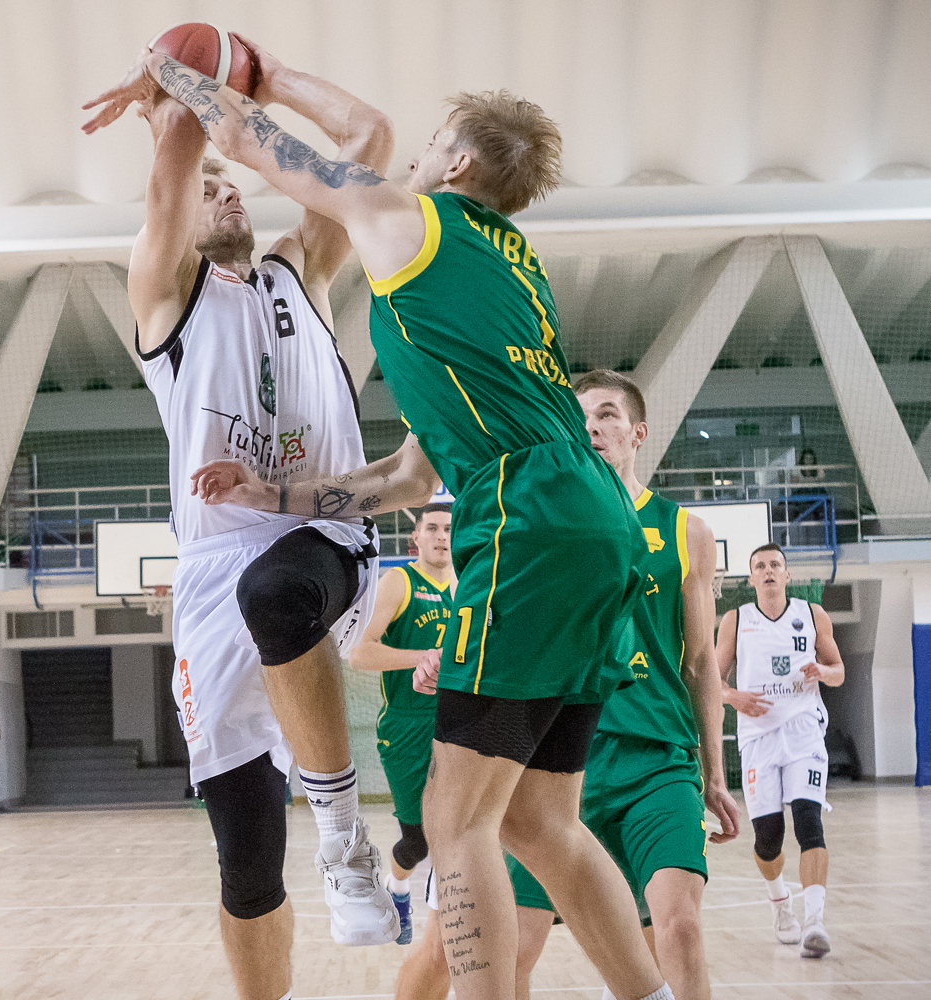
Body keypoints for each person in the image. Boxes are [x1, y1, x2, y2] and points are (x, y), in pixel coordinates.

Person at [92, 51, 674, 1000]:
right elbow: (408, 476)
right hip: (580, 524)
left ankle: (339, 832)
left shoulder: (388, 231)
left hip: (503, 531)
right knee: (537, 823)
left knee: (455, 821)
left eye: (434, 147)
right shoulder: (503, 268)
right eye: (210, 190)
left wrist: (186, 71)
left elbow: (272, 136)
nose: (413, 162)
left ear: (458, 167)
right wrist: (269, 495)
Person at [86, 35, 398, 1000]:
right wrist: (173, 86)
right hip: (212, 575)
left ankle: (343, 837)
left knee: (279, 591)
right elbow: (174, 162)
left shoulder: (302, 267)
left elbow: (371, 141)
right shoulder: (165, 295)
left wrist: (258, 76)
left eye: (235, 185)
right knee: (248, 862)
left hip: (324, 532)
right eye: (210, 188)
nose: (225, 193)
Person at [496, 370, 740, 1000]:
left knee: (678, 926)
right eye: (580, 417)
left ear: (638, 433)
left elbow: (700, 663)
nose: (593, 427)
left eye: (607, 414)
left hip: (656, 759)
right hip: (555, 763)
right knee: (513, 947)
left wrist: (715, 775)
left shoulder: (685, 531)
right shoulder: (542, 526)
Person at [716, 543, 844, 959]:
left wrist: (823, 671)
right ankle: (780, 903)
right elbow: (713, 682)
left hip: (804, 733)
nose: (769, 570)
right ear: (751, 578)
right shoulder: (736, 620)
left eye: (775, 565)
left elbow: (838, 671)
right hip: (758, 740)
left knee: (809, 822)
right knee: (769, 838)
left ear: (787, 575)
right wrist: (734, 697)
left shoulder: (813, 614)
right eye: (761, 566)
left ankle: (815, 922)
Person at [348, 502, 458, 947]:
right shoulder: (400, 582)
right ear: (416, 537)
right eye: (432, 528)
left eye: (448, 529)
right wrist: (425, 658)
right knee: (417, 842)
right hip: (407, 725)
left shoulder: (468, 586)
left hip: (459, 724)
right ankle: (396, 890)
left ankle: (451, 926)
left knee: (461, 827)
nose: (441, 536)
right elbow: (359, 653)